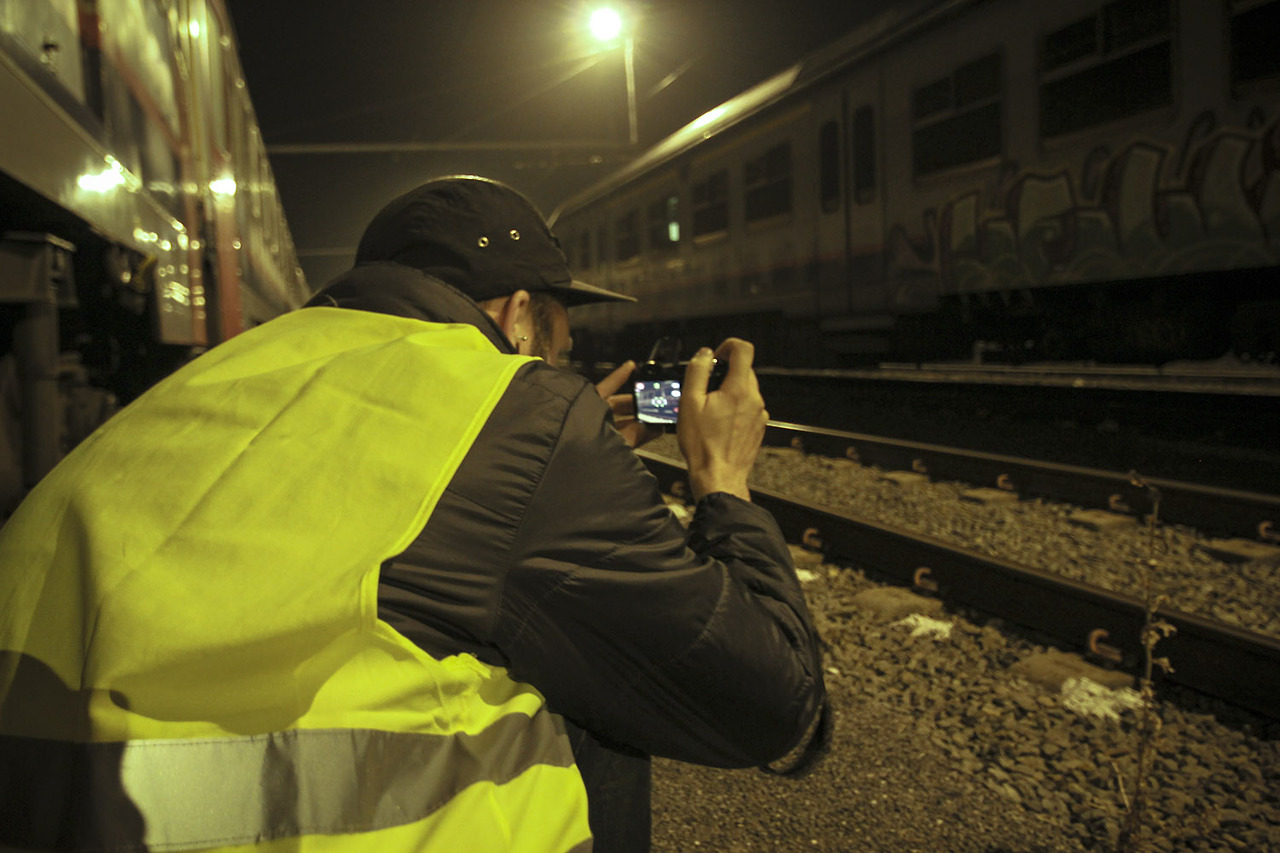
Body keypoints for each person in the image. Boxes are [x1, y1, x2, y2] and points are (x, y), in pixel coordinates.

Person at [0, 175, 828, 852]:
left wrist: (563, 462)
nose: (557, 368)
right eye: (558, 348)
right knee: (591, 689)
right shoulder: (521, 412)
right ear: (516, 315)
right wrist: (723, 483)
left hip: (49, 811)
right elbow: (769, 703)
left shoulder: (226, 372)